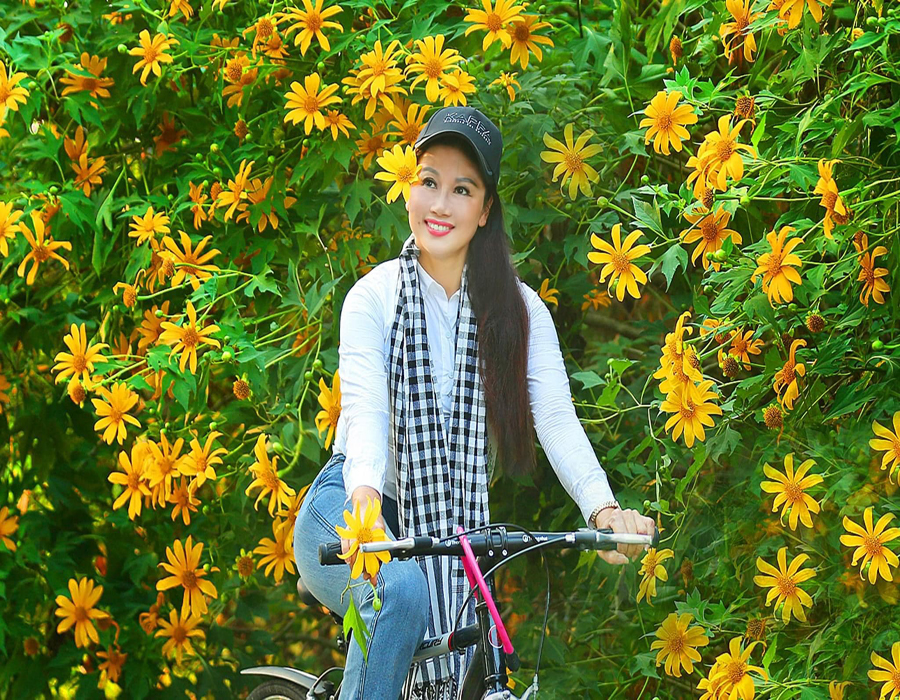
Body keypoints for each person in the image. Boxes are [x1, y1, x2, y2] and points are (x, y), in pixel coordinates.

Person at [293, 105, 656, 700]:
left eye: (462, 189)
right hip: (347, 509)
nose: (440, 205)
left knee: (473, 652)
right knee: (402, 591)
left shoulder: (520, 312)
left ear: (485, 210)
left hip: (449, 530)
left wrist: (603, 511)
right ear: (409, 189)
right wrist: (366, 505)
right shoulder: (373, 297)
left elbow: (555, 418)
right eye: (429, 181)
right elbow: (366, 411)